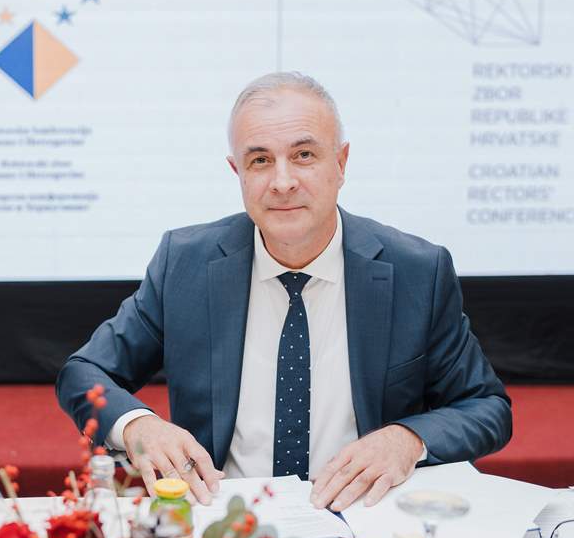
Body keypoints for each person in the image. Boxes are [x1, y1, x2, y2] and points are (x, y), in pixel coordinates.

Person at [56, 72, 512, 511]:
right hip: (226, 519)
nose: (282, 182)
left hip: (365, 519)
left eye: (304, 155)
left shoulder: (416, 271)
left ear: (341, 163)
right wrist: (139, 426)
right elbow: (84, 372)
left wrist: (407, 439)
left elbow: (486, 407)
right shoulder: (186, 263)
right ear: (237, 171)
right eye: (259, 161)